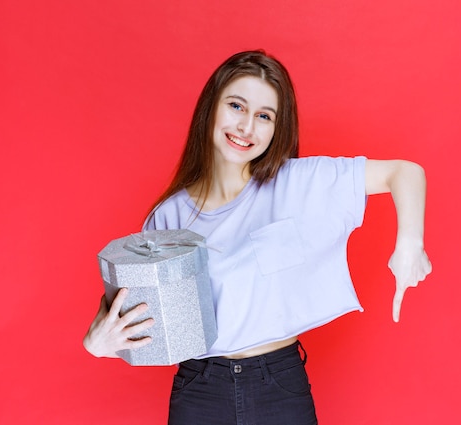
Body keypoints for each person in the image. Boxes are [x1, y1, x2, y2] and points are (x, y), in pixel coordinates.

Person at [83, 50, 432, 424]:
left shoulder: (297, 182)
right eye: (237, 106)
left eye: (264, 116)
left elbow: (405, 173)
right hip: (199, 390)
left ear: (276, 129)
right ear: (211, 109)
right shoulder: (168, 217)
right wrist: (97, 343)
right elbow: (134, 317)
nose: (246, 127)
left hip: (279, 386)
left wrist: (409, 244)